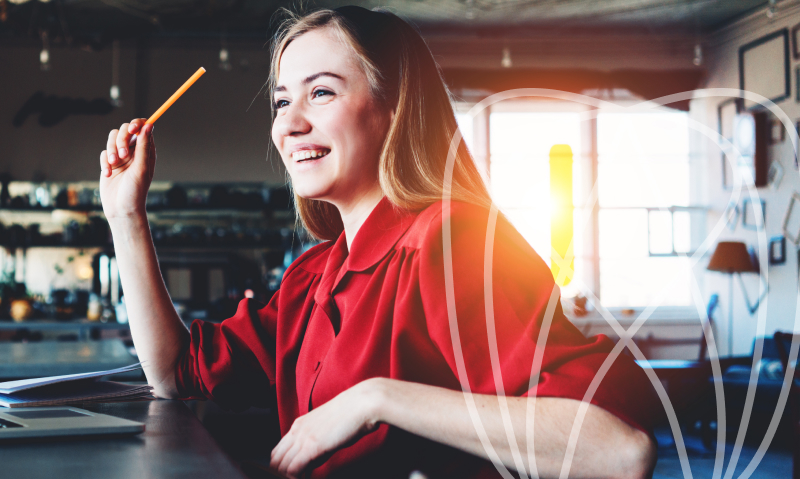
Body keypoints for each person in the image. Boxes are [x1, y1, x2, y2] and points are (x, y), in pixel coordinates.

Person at [99, 6, 659, 479]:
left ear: (395, 109)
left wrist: (377, 399)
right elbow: (174, 373)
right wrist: (126, 214)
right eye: (280, 101)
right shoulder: (314, 275)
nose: (288, 124)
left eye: (320, 93)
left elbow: (617, 450)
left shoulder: (452, 240)